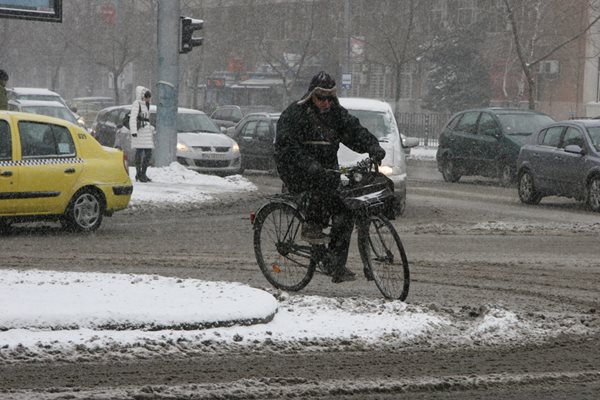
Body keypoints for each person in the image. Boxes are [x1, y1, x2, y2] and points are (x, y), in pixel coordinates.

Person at [274, 71, 386, 283]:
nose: (325, 102)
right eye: (321, 98)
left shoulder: (336, 114)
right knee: (319, 190)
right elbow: (286, 148)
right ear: (311, 96)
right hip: (296, 170)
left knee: (345, 210)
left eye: (329, 98)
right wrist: (309, 165)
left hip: (326, 170)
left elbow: (354, 131)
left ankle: (335, 263)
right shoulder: (295, 115)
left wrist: (373, 147)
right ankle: (312, 226)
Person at [129, 86, 155, 182]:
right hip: (139, 132)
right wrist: (134, 131)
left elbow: (147, 118)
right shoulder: (137, 104)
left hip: (146, 133)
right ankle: (139, 173)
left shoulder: (147, 104)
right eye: (146, 96)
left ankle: (142, 173)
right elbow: (133, 117)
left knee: (148, 153)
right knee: (139, 153)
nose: (148, 98)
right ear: (141, 96)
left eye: (149, 97)